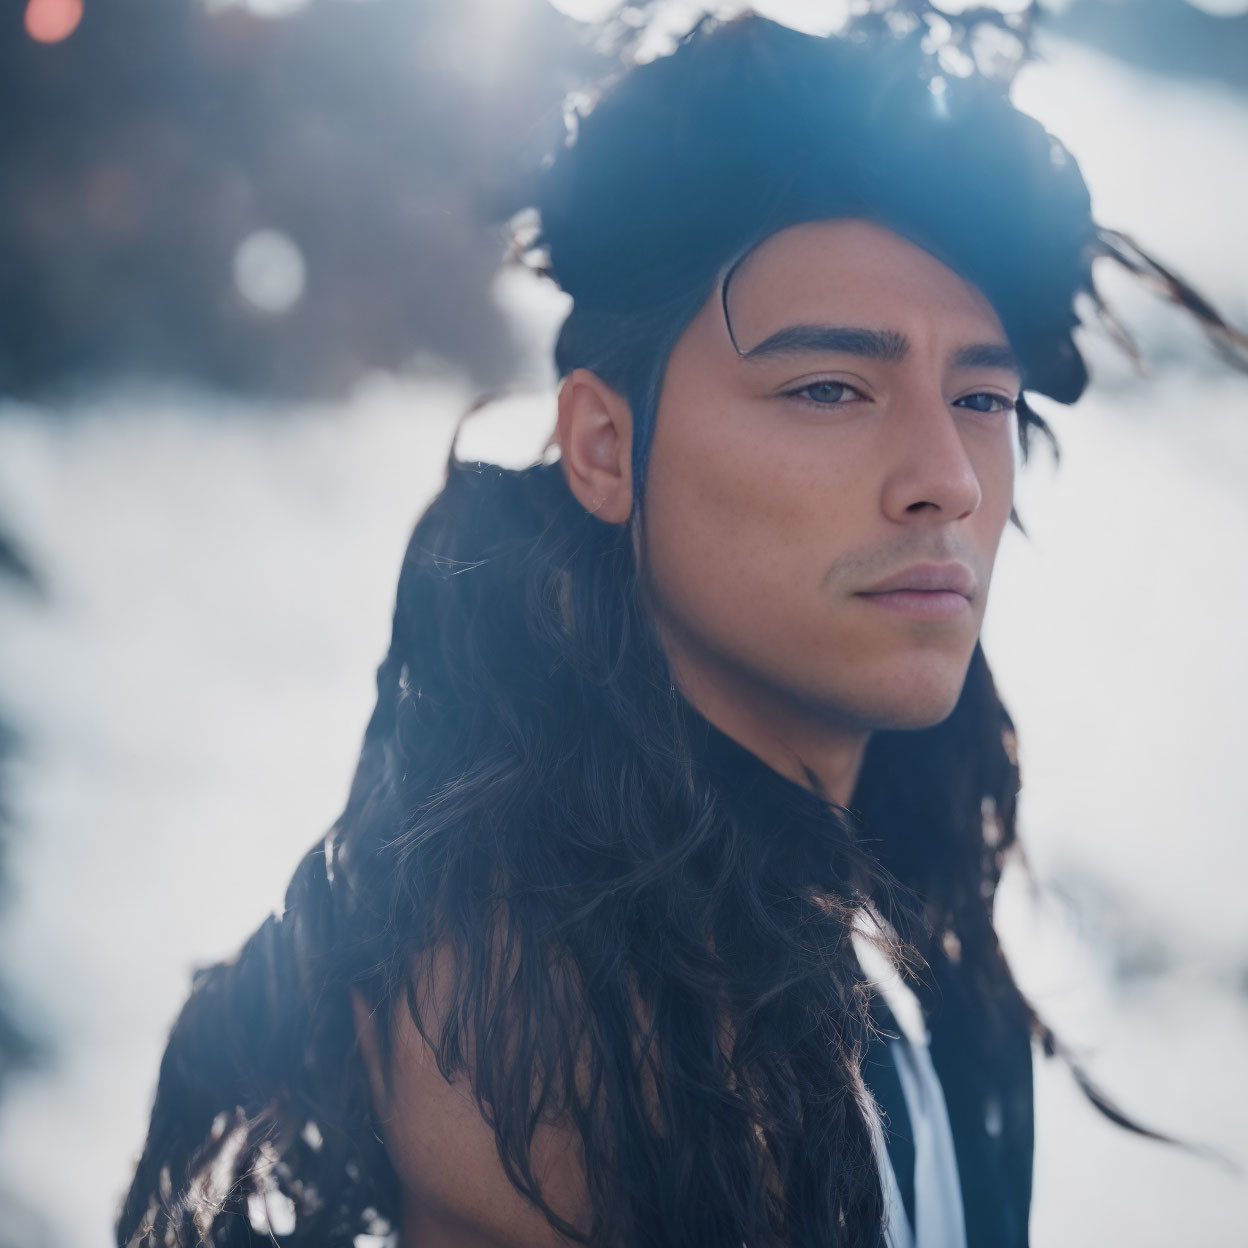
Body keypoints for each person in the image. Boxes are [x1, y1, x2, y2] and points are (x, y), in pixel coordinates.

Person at [117, 10, 1246, 1248]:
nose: (949, 478)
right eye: (830, 388)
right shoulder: (542, 1032)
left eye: (980, 396)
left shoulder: (861, 935)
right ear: (604, 449)